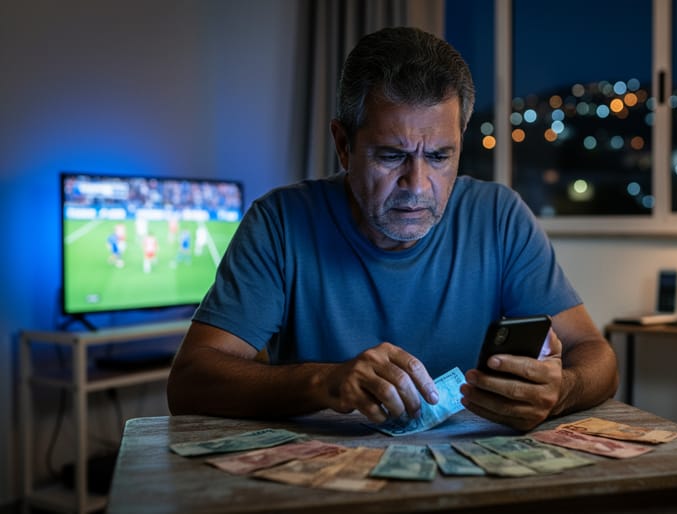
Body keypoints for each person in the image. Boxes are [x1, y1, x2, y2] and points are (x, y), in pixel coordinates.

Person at [167, 26, 618, 431]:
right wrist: (326, 381)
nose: (417, 186)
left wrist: (560, 391)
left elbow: (598, 359)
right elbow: (189, 383)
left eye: (440, 157)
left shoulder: (499, 216)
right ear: (343, 146)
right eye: (390, 155)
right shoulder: (280, 223)